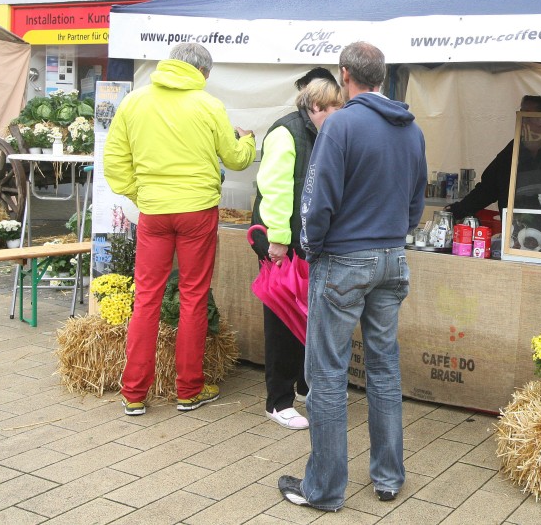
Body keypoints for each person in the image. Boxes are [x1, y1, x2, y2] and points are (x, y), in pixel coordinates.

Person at [278, 41, 427, 512]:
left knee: (326, 373)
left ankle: (324, 489)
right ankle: (388, 477)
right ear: (381, 75)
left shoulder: (340, 124)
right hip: (392, 257)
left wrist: (313, 248)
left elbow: (317, 201)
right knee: (383, 367)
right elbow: (416, 203)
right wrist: (391, 234)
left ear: (345, 74)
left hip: (344, 259)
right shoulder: (412, 129)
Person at [104, 42, 256, 416]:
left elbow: (115, 164)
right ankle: (189, 390)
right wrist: (248, 140)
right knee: (193, 296)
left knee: (146, 298)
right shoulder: (209, 105)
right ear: (202, 72)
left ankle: (134, 394)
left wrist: (142, 194)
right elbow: (236, 160)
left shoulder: (134, 102)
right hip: (197, 212)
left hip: (154, 213)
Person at [250, 78, 344, 430]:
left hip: (305, 241)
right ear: (316, 107)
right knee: (282, 320)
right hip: (281, 241)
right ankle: (278, 401)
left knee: (306, 314)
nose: (339, 115)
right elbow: (274, 188)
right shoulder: (285, 132)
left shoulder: (321, 132)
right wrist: (278, 239)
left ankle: (304, 386)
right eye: (334, 108)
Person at [447, 95, 541, 220]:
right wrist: (457, 211)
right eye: (520, 115)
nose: (521, 121)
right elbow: (489, 187)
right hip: (513, 226)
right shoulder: (514, 148)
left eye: (527, 117)